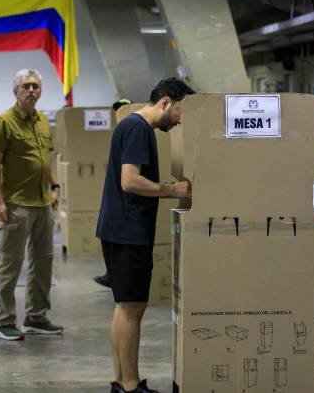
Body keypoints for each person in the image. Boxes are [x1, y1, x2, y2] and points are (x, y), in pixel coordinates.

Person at [96, 78, 194, 393]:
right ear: (165, 102)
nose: (178, 121)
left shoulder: (132, 125)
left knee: (125, 306)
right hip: (128, 230)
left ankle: (121, 381)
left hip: (118, 227)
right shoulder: (139, 128)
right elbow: (130, 181)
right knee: (132, 307)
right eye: (179, 112)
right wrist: (172, 190)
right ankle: (130, 385)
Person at [0, 69, 63, 340]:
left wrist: (54, 187)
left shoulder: (42, 119)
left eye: (35, 86)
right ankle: (5, 321)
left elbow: (45, 159)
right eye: (26, 86)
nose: (31, 90)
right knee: (11, 264)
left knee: (43, 262)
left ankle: (36, 317)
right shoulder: (4, 122)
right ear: (16, 92)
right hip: (15, 204)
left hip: (43, 203)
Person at [94, 98, 134, 290]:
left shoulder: (135, 130)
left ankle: (115, 277)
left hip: (127, 197)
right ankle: (111, 274)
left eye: (121, 110)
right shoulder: (123, 130)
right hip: (115, 193)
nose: (119, 114)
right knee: (108, 232)